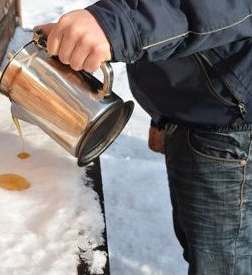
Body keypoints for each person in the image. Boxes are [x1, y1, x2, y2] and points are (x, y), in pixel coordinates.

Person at [35, 1, 252, 274]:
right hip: (198, 108)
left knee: (221, 264)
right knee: (203, 249)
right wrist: (163, 111)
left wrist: (116, 23)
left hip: (229, 128)